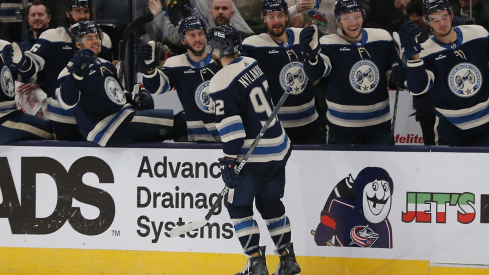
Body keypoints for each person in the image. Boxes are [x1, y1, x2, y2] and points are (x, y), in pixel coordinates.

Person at [207, 24, 300, 275]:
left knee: (238, 207)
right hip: (277, 149)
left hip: (253, 156)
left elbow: (234, 132)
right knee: (270, 204)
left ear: (217, 50)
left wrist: (228, 161)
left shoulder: (219, 81)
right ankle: (288, 260)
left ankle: (257, 265)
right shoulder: (252, 63)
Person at [55, 21, 182, 146]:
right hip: (106, 128)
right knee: (177, 123)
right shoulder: (69, 72)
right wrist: (76, 74)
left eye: (97, 37)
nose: (95, 41)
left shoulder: (106, 64)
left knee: (178, 120)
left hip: (124, 117)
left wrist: (133, 98)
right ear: (78, 43)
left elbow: (117, 95)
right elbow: (67, 103)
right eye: (89, 38)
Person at [299, 0, 406, 145]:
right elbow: (316, 74)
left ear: (363, 17)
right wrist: (311, 57)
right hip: (341, 130)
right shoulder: (328, 44)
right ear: (338, 22)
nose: (353, 22)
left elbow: (391, 77)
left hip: (379, 128)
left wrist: (397, 77)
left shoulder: (382, 38)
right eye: (347, 18)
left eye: (356, 16)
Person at [4, 0, 113, 141]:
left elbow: (107, 76)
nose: (82, 16)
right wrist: (22, 61)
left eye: (85, 11)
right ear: (68, 13)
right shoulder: (52, 37)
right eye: (77, 11)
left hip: (95, 116)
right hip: (62, 116)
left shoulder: (103, 40)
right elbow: (33, 65)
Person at [402, 0, 489, 146]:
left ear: (452, 15)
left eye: (444, 17)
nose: (441, 23)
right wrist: (413, 56)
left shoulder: (478, 34)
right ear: (428, 22)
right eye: (434, 19)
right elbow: (418, 88)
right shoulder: (424, 51)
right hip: (450, 128)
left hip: (486, 124)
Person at [241, 0, 325, 144]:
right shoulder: (252, 45)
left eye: (280, 15)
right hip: (275, 128)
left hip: (310, 125)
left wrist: (313, 54)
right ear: (264, 19)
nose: (276, 21)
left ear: (287, 16)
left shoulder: (303, 36)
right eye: (271, 17)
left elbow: (319, 73)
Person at [140, 16, 222, 142]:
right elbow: (156, 88)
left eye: (201, 34)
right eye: (192, 35)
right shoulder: (175, 64)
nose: (198, 39)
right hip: (196, 140)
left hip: (228, 134)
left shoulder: (221, 60)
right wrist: (150, 70)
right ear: (183, 41)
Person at [0, 39, 53, 144]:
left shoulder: (5, 46)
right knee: (53, 133)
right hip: (4, 120)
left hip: (11, 115)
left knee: (59, 128)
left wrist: (24, 63)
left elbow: (28, 76)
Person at [17, 0, 51, 97]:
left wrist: (40, 84)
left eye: (40, 14)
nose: (36, 18)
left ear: (49, 18)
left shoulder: (58, 44)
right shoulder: (22, 46)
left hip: (52, 99)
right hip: (27, 101)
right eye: (33, 15)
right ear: (28, 19)